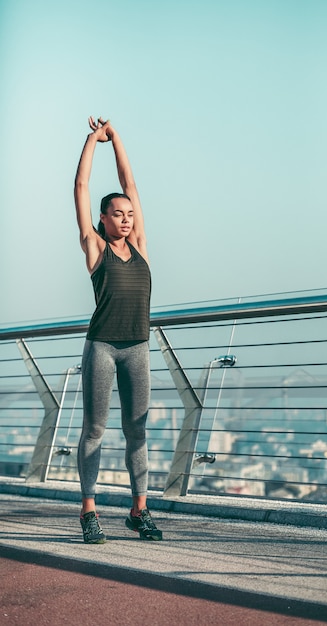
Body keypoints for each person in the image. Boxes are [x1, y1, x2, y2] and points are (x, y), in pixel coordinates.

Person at [74, 116, 162, 543]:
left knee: (137, 431)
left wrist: (119, 139)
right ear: (103, 220)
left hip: (139, 348)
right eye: (118, 214)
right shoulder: (95, 248)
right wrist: (94, 140)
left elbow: (130, 181)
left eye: (129, 214)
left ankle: (139, 510)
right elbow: (81, 188)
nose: (126, 219)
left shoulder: (141, 247)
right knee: (95, 429)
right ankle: (89, 510)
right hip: (103, 348)